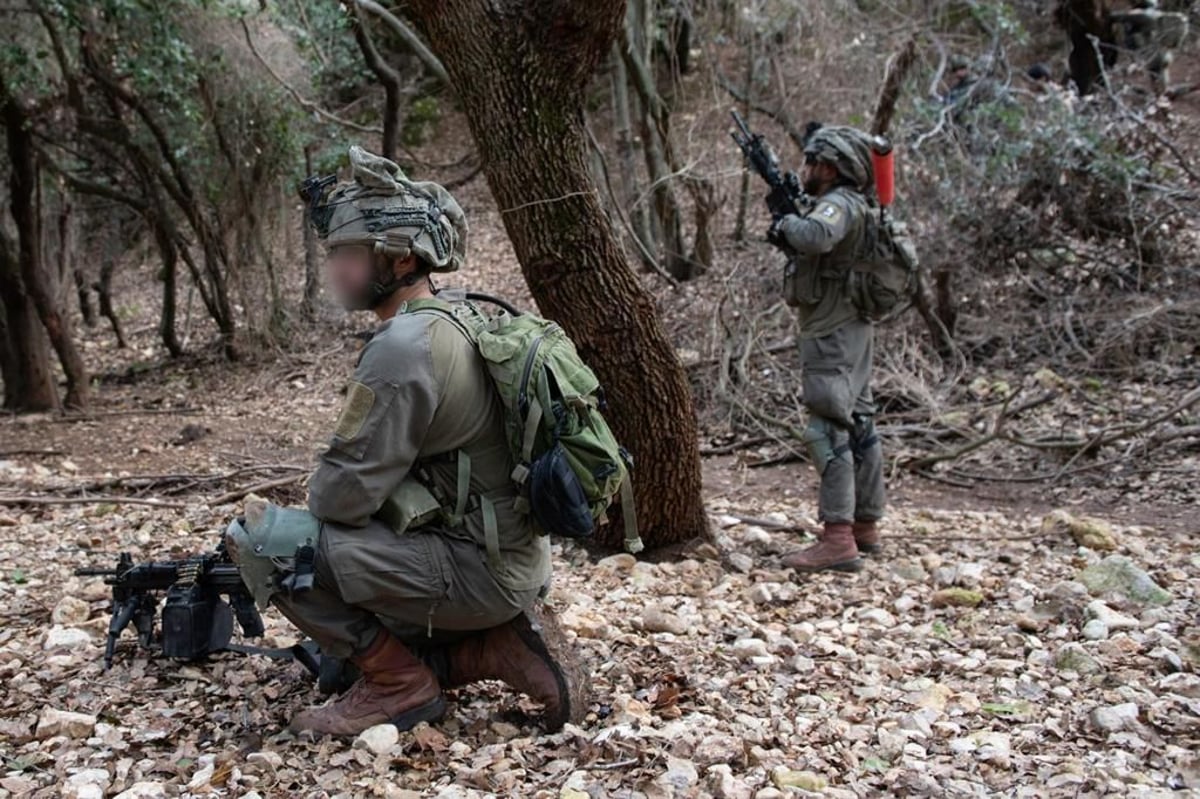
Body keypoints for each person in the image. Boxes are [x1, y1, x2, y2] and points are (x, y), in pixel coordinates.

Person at [224, 146, 583, 737]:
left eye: (347, 253)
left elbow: (337, 501)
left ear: (396, 258)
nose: (336, 267)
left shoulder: (401, 348)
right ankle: (487, 650)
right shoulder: (465, 317)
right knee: (335, 655)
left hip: (475, 571)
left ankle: (398, 685)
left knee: (262, 542)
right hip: (514, 562)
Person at [766, 127, 886, 574]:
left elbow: (816, 236)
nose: (806, 170)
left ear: (830, 167)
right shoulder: (860, 205)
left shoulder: (839, 204)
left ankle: (837, 538)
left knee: (828, 427)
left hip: (832, 330)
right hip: (852, 326)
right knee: (860, 423)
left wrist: (784, 224)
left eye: (812, 163)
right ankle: (865, 526)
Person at [1111, 0, 1190, 95]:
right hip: (1164, 52)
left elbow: (1114, 17)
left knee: (1156, 75)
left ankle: (1161, 96)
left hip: (1150, 55)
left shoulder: (1140, 17)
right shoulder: (1158, 15)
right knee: (1159, 76)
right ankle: (1165, 94)